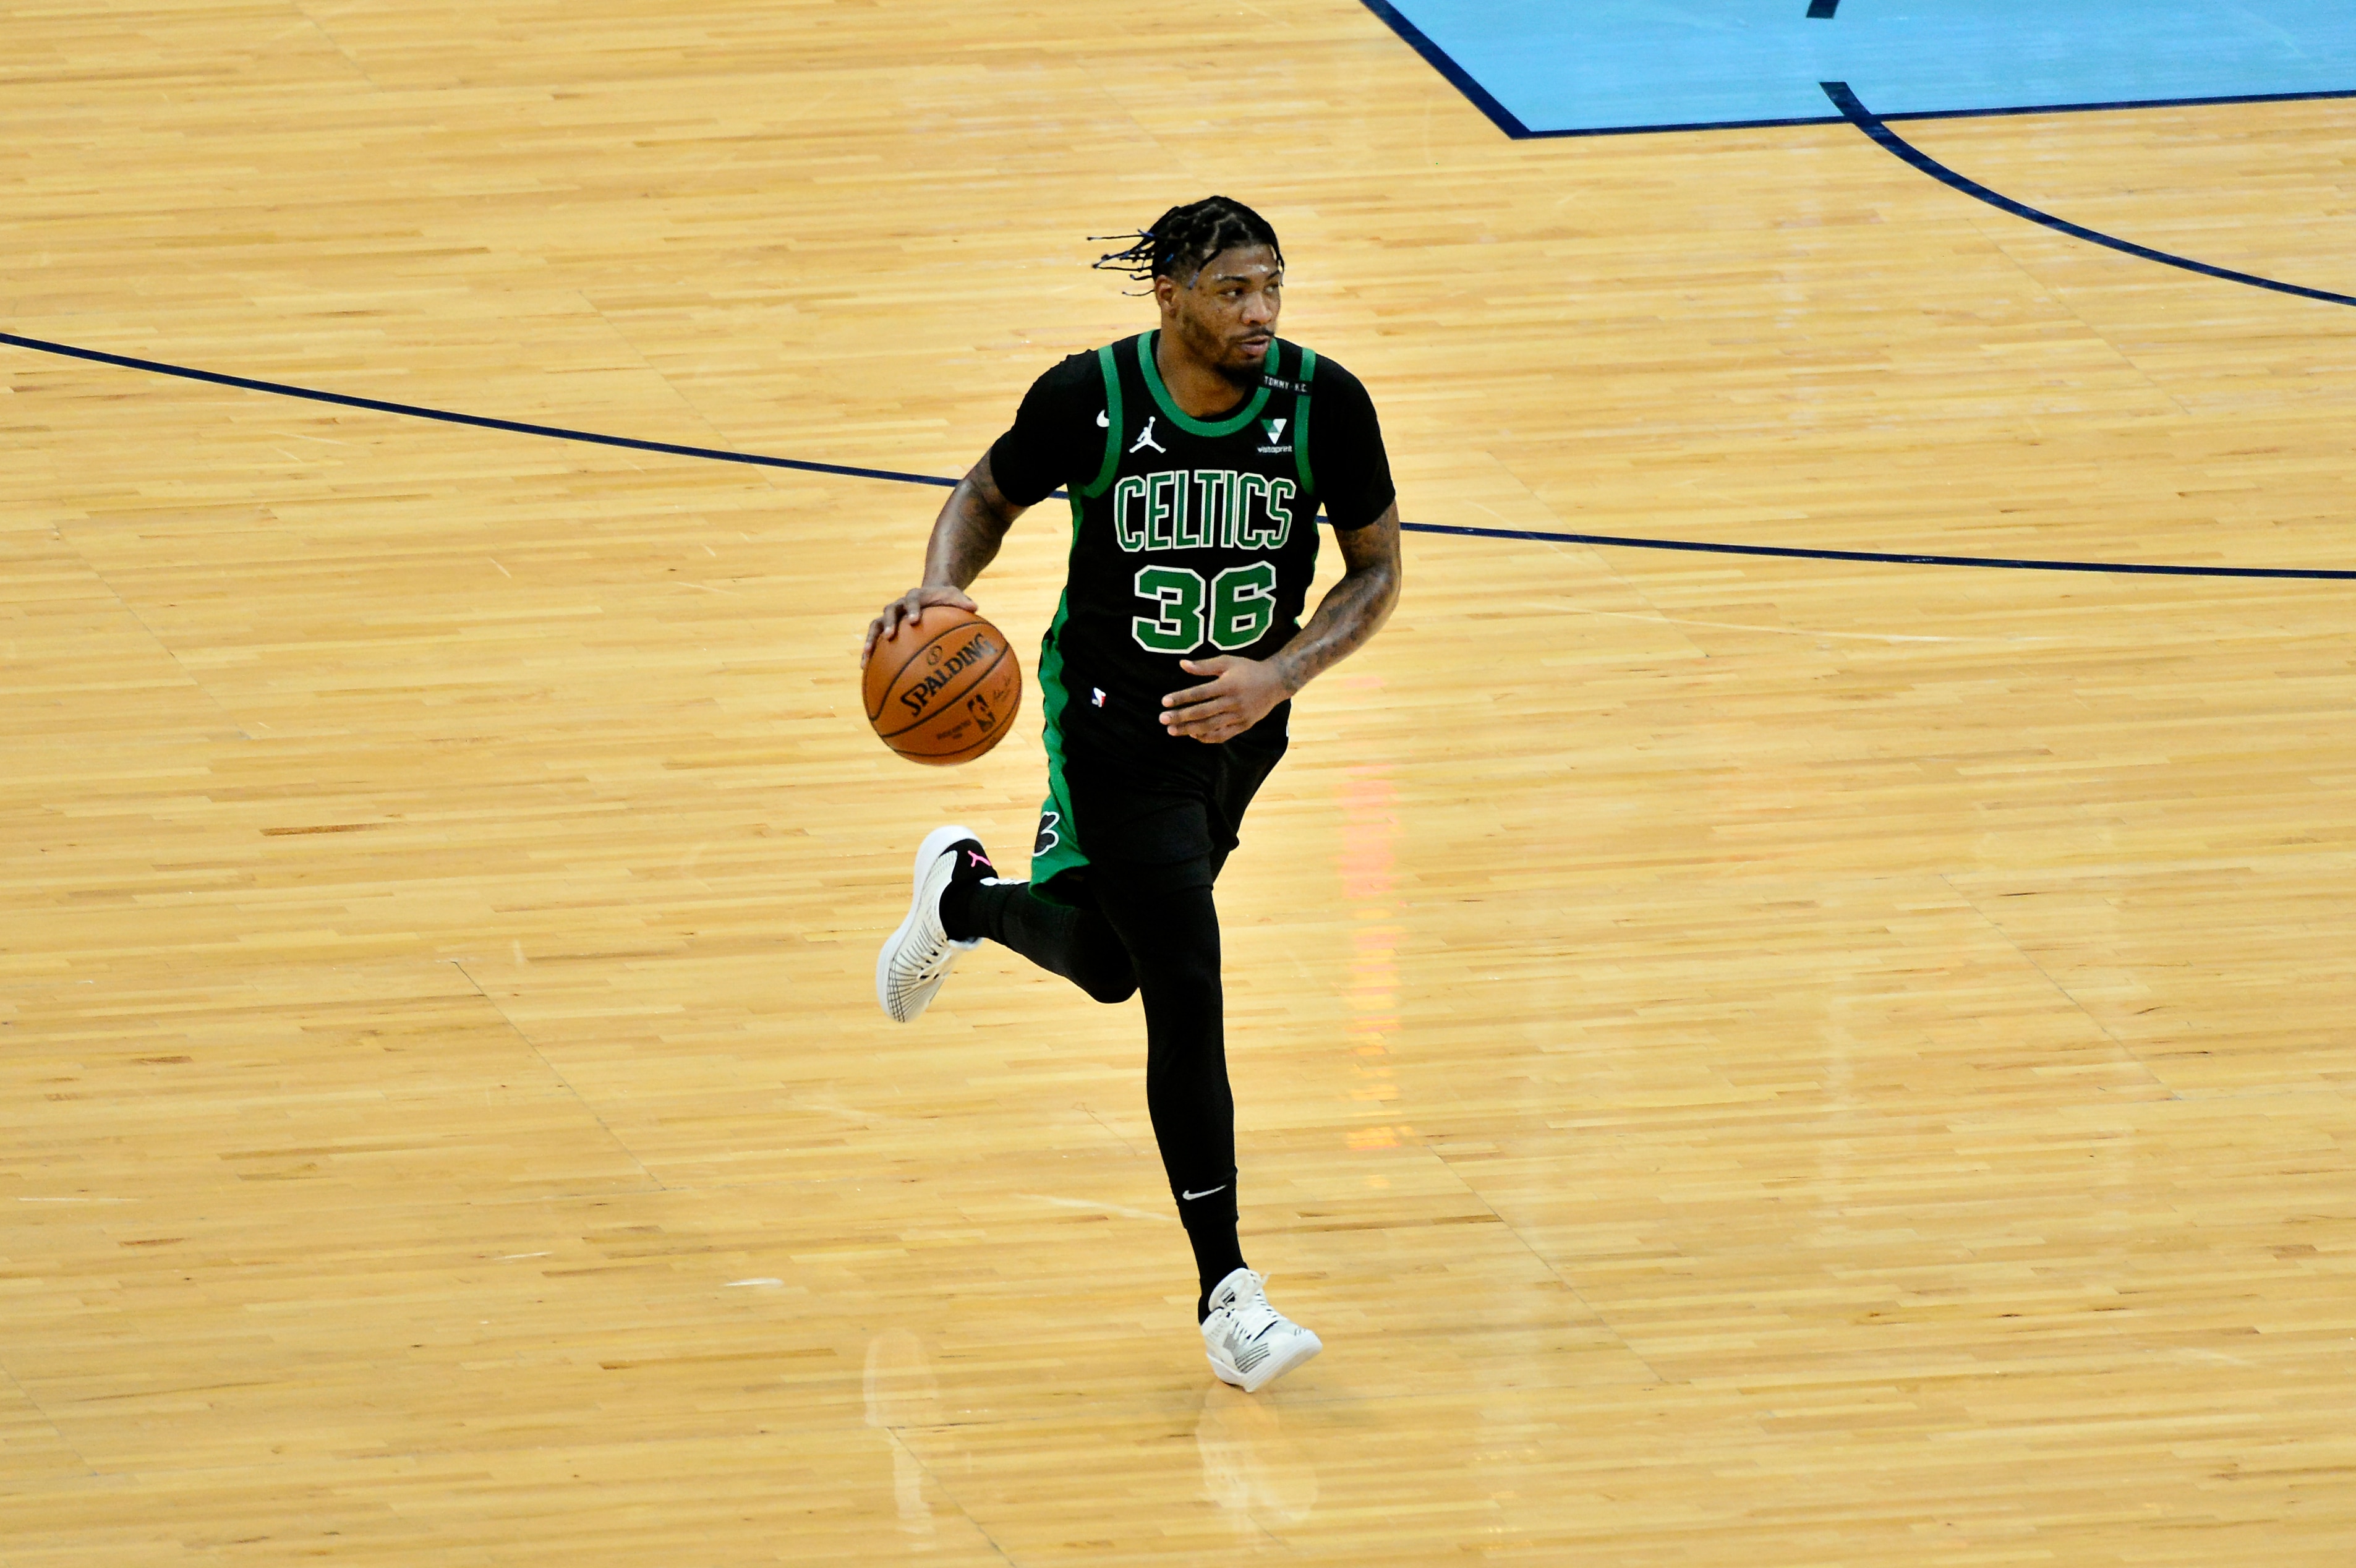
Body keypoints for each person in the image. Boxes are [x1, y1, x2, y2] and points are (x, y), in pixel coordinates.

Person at [862, 196, 1402, 1393]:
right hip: (1110, 724)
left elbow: (1377, 572)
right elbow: (988, 494)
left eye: (1272, 287)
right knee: (1186, 976)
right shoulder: (1092, 398)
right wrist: (943, 590)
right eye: (1233, 292)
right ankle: (1230, 1292)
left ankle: (964, 902)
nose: (1260, 313)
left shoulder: (1325, 405)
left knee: (1112, 961)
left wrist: (1281, 672)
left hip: (1236, 731)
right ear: (1170, 295)